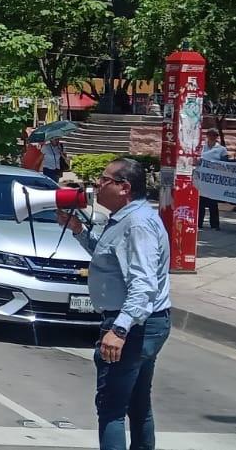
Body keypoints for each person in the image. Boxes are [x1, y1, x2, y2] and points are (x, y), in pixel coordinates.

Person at [57, 157, 172, 450]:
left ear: (124, 187)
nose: (98, 184)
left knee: (111, 409)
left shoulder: (137, 224)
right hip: (142, 322)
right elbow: (108, 256)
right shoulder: (127, 219)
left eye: (104, 180)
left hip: (132, 323)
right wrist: (78, 230)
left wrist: (119, 330)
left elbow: (143, 283)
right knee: (137, 403)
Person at [198, 129, 226, 230]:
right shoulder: (201, 147)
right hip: (202, 179)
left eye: (214, 135)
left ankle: (214, 225)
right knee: (200, 203)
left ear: (216, 136)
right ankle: (199, 223)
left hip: (214, 180)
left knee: (213, 203)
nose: (211, 137)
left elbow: (225, 164)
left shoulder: (222, 149)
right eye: (210, 135)